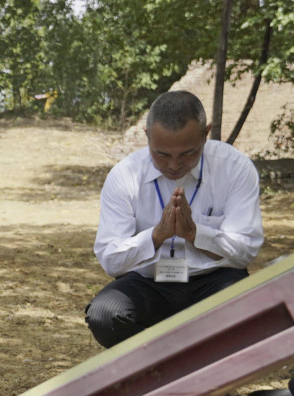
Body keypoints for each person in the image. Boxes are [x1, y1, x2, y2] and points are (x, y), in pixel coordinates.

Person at [85, 91, 263, 348]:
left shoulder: (234, 167)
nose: (174, 165)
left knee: (246, 309)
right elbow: (111, 260)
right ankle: (156, 373)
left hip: (214, 278)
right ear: (147, 136)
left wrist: (195, 234)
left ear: (206, 134)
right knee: (105, 315)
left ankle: (208, 378)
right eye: (162, 154)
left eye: (188, 154)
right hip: (149, 281)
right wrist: (157, 236)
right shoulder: (125, 175)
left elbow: (245, 250)